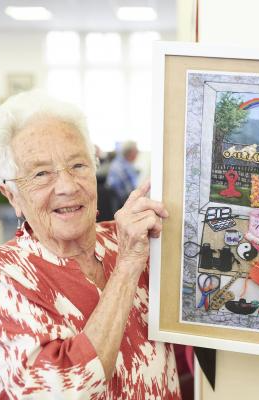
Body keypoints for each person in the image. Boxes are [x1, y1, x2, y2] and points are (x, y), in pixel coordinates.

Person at [0, 91, 181, 399]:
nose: (68, 186)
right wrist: (127, 267)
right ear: (13, 196)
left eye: (78, 165)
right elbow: (63, 388)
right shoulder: (10, 275)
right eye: (41, 173)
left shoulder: (131, 236)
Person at [106, 141, 140, 209]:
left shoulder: (118, 162)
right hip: (123, 205)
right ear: (131, 152)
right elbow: (130, 191)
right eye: (136, 151)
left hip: (117, 204)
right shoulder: (125, 167)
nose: (138, 153)